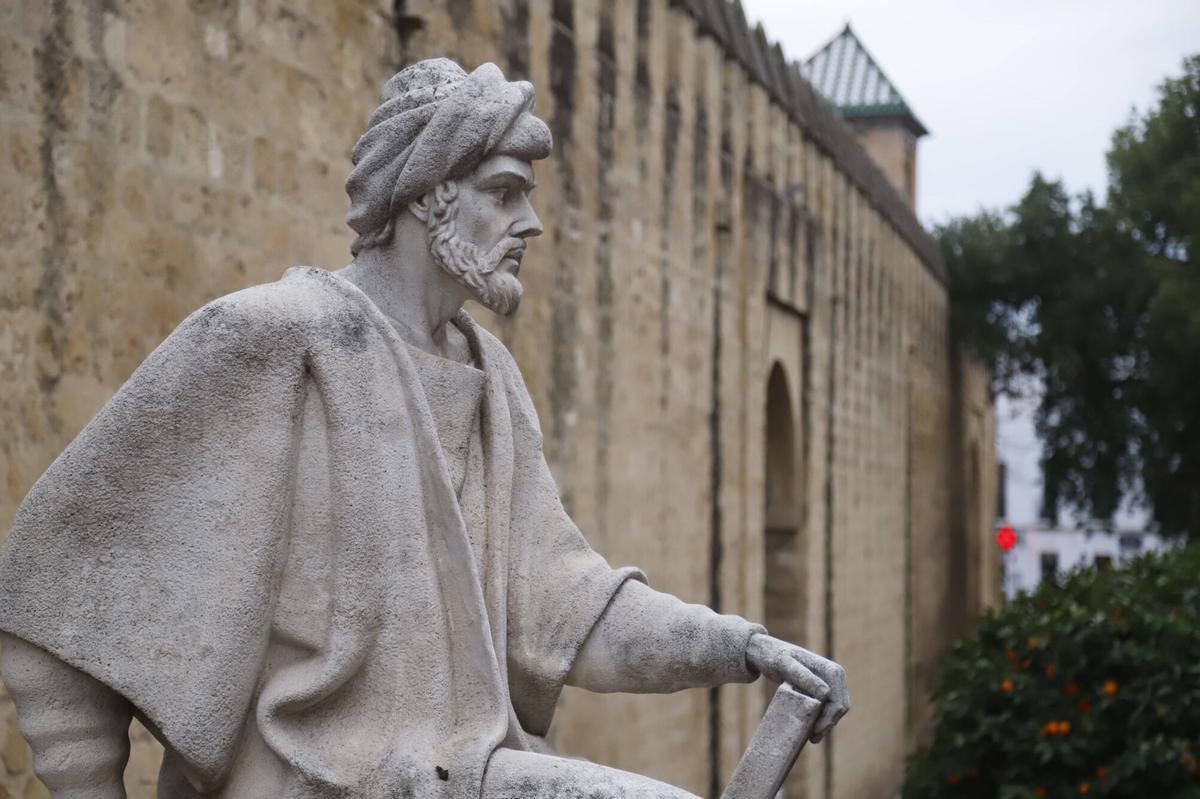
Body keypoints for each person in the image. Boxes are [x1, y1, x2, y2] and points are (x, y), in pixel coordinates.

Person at [0, 58, 848, 799]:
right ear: (425, 196)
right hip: (320, 779)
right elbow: (51, 579)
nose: (533, 225)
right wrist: (84, 783)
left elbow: (567, 607)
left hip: (459, 771)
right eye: (504, 192)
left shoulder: (491, 379)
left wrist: (742, 647)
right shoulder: (274, 337)